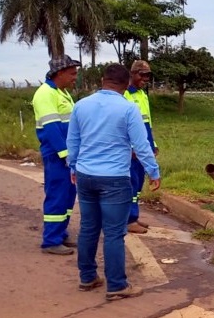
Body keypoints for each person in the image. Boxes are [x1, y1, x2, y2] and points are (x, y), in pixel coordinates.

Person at [67, 63, 161, 301]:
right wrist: (153, 172)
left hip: (86, 176)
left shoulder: (81, 106)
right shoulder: (128, 109)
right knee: (113, 233)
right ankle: (117, 285)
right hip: (115, 178)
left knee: (88, 228)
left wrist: (73, 166)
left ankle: (87, 278)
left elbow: (73, 140)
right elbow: (141, 146)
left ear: (102, 80)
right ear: (125, 84)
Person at [32, 54, 81, 255]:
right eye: (72, 73)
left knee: (69, 196)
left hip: (68, 155)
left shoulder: (61, 92)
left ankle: (60, 233)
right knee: (57, 195)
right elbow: (51, 129)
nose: (75, 77)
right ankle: (51, 240)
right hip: (58, 155)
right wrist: (66, 155)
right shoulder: (45, 94)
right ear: (59, 73)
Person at [123, 60, 157, 234]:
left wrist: (153, 145)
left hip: (143, 147)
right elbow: (124, 126)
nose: (146, 79)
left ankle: (133, 217)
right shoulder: (125, 95)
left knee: (137, 184)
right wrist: (131, 148)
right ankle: (128, 220)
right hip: (132, 151)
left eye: (148, 75)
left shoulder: (143, 95)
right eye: (142, 75)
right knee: (130, 184)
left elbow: (147, 124)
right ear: (133, 74)